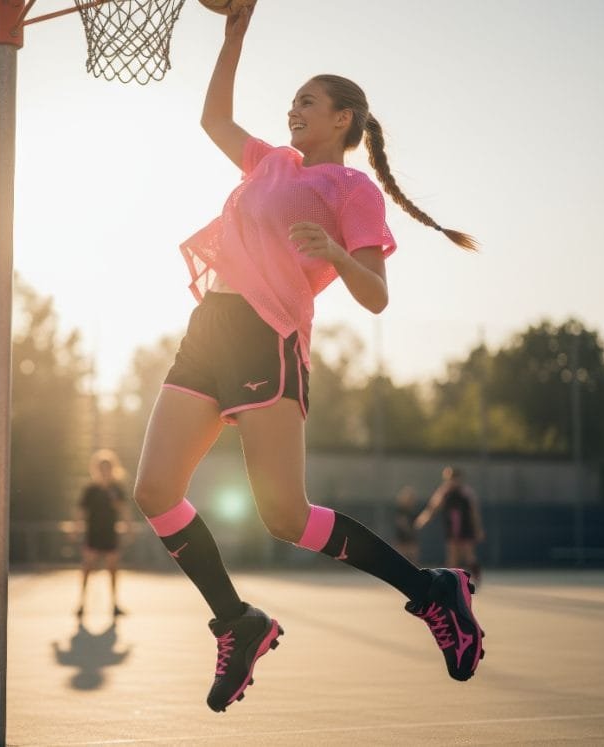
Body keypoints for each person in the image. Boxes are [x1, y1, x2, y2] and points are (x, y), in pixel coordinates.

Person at [130, 4, 483, 714]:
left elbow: (376, 295)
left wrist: (334, 256)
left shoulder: (353, 190)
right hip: (209, 329)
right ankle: (238, 622)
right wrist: (233, 35)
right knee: (154, 489)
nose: (293, 109)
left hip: (268, 336)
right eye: (292, 100)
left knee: (285, 517)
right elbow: (213, 119)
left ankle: (432, 591)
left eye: (308, 102)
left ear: (343, 118)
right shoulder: (271, 162)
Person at [76, 449, 131, 618]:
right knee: (87, 568)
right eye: (102, 468)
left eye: (108, 468)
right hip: (93, 533)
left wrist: (128, 526)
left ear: (113, 469)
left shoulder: (116, 489)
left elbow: (123, 509)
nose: (105, 471)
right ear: (96, 469)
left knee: (113, 569)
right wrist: (76, 528)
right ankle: (81, 604)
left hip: (109, 534)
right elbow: (81, 511)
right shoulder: (90, 489)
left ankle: (114, 604)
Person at [414, 467, 485, 586]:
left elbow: (474, 512)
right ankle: (453, 580)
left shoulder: (466, 492)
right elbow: (433, 507)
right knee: (452, 556)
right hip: (452, 527)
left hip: (466, 527)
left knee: (469, 555)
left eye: (454, 478)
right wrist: (423, 519)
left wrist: (478, 529)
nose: (452, 481)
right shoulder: (444, 492)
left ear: (459, 478)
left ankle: (476, 577)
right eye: (449, 479)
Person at [393, 486, 420, 565]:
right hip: (401, 541)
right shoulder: (400, 511)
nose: (410, 501)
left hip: (411, 541)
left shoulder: (413, 512)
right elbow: (402, 524)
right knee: (400, 562)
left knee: (413, 563)